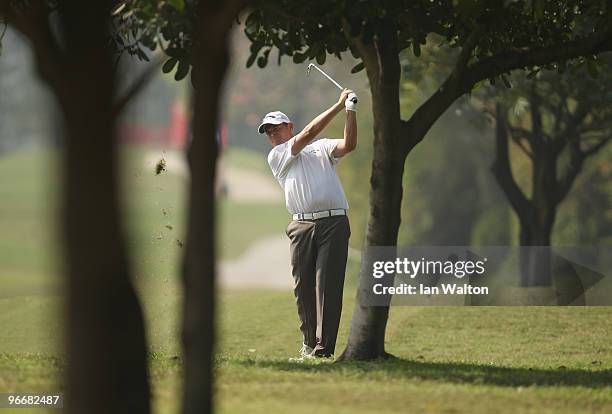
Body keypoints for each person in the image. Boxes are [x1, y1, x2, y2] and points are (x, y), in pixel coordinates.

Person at [259, 88, 358, 359]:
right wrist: (338, 105)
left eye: (276, 129)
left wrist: (351, 110)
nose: (272, 135)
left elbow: (349, 145)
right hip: (301, 226)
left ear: (289, 126)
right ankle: (308, 344)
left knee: (327, 286)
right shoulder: (278, 155)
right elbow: (308, 133)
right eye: (268, 132)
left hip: (334, 222)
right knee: (303, 287)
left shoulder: (321, 148)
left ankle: (323, 350)